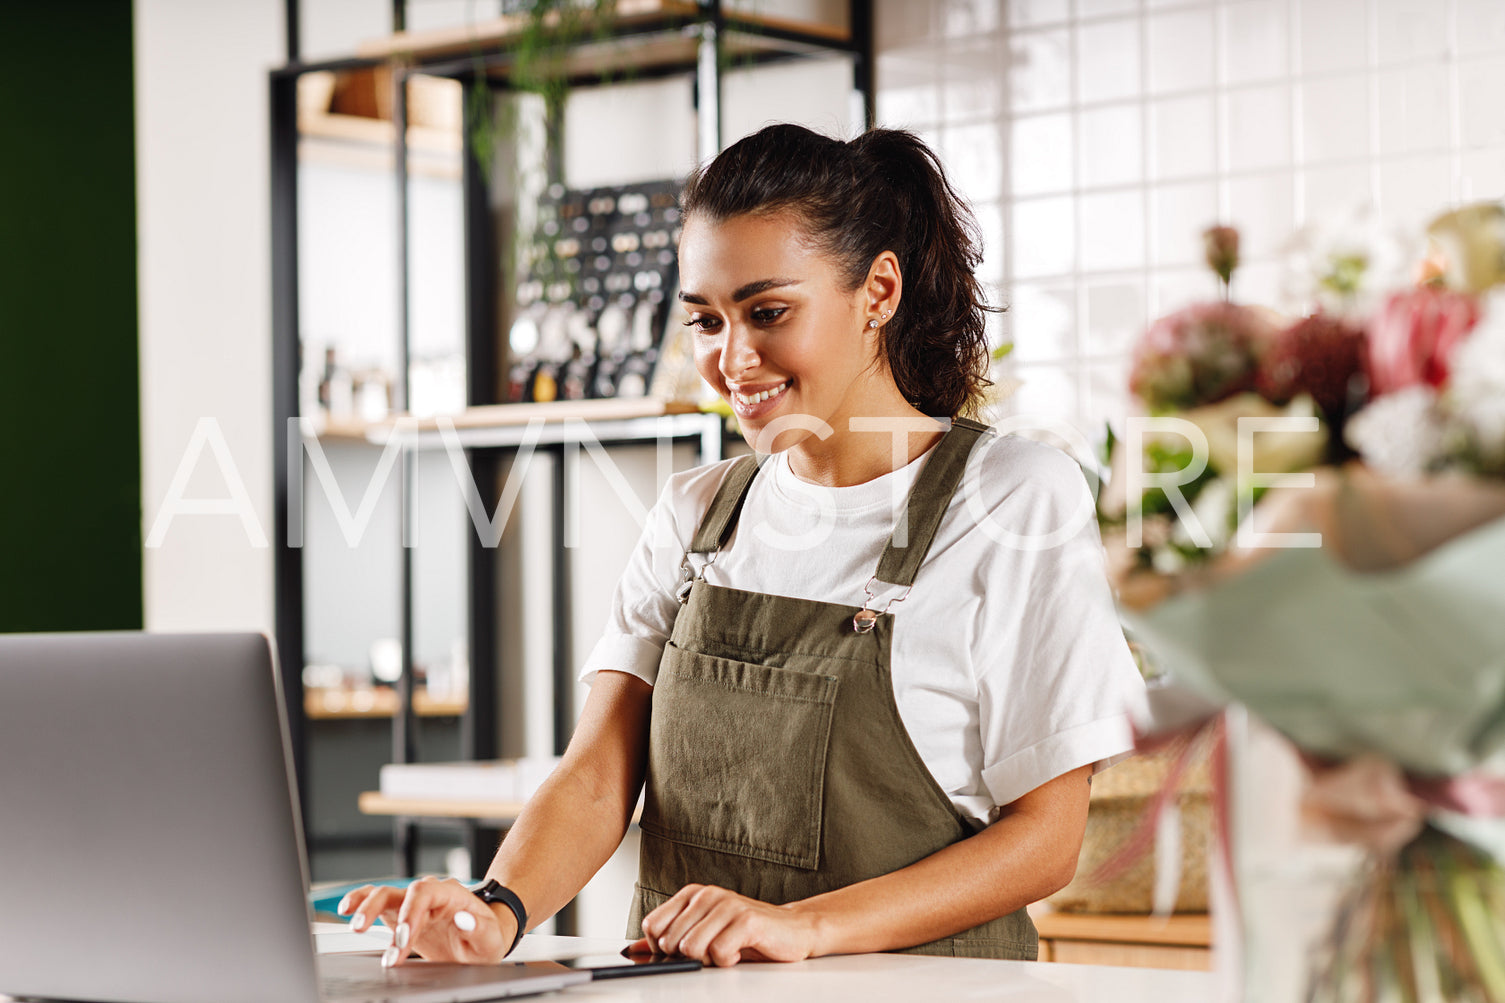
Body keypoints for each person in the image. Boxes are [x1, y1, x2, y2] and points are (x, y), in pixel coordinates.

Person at [339, 123, 1145, 968]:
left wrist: (803, 925)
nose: (731, 360)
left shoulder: (1012, 497)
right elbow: (595, 776)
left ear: (877, 290)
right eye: (705, 320)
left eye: (768, 313)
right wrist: (494, 911)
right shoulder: (697, 511)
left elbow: (1046, 840)